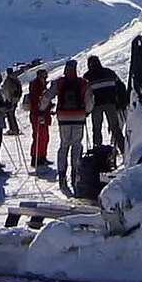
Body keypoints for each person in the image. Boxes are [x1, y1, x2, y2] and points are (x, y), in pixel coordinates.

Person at [52, 59, 91, 195]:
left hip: (63, 116)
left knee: (64, 146)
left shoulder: (59, 82)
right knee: (77, 145)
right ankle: (75, 173)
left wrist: (41, 108)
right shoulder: (83, 82)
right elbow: (89, 100)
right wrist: (87, 112)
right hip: (79, 117)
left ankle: (62, 175)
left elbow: (47, 97)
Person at [84, 54, 127, 154]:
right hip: (111, 104)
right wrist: (122, 102)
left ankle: (97, 151)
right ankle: (123, 150)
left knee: (96, 128)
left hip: (96, 106)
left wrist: (85, 108)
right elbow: (121, 87)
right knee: (115, 128)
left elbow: (84, 93)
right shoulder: (110, 73)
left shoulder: (88, 76)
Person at [26, 67, 52, 171]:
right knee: (39, 136)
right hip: (38, 114)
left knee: (44, 136)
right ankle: (36, 157)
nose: (44, 78)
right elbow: (36, 101)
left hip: (43, 114)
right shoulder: (36, 86)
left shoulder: (41, 86)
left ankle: (42, 156)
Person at [1, 66, 24, 136]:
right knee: (11, 114)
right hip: (14, 99)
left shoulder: (9, 80)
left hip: (10, 100)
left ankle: (14, 129)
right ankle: (14, 129)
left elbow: (8, 90)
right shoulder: (15, 79)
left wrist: (9, 100)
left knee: (10, 115)